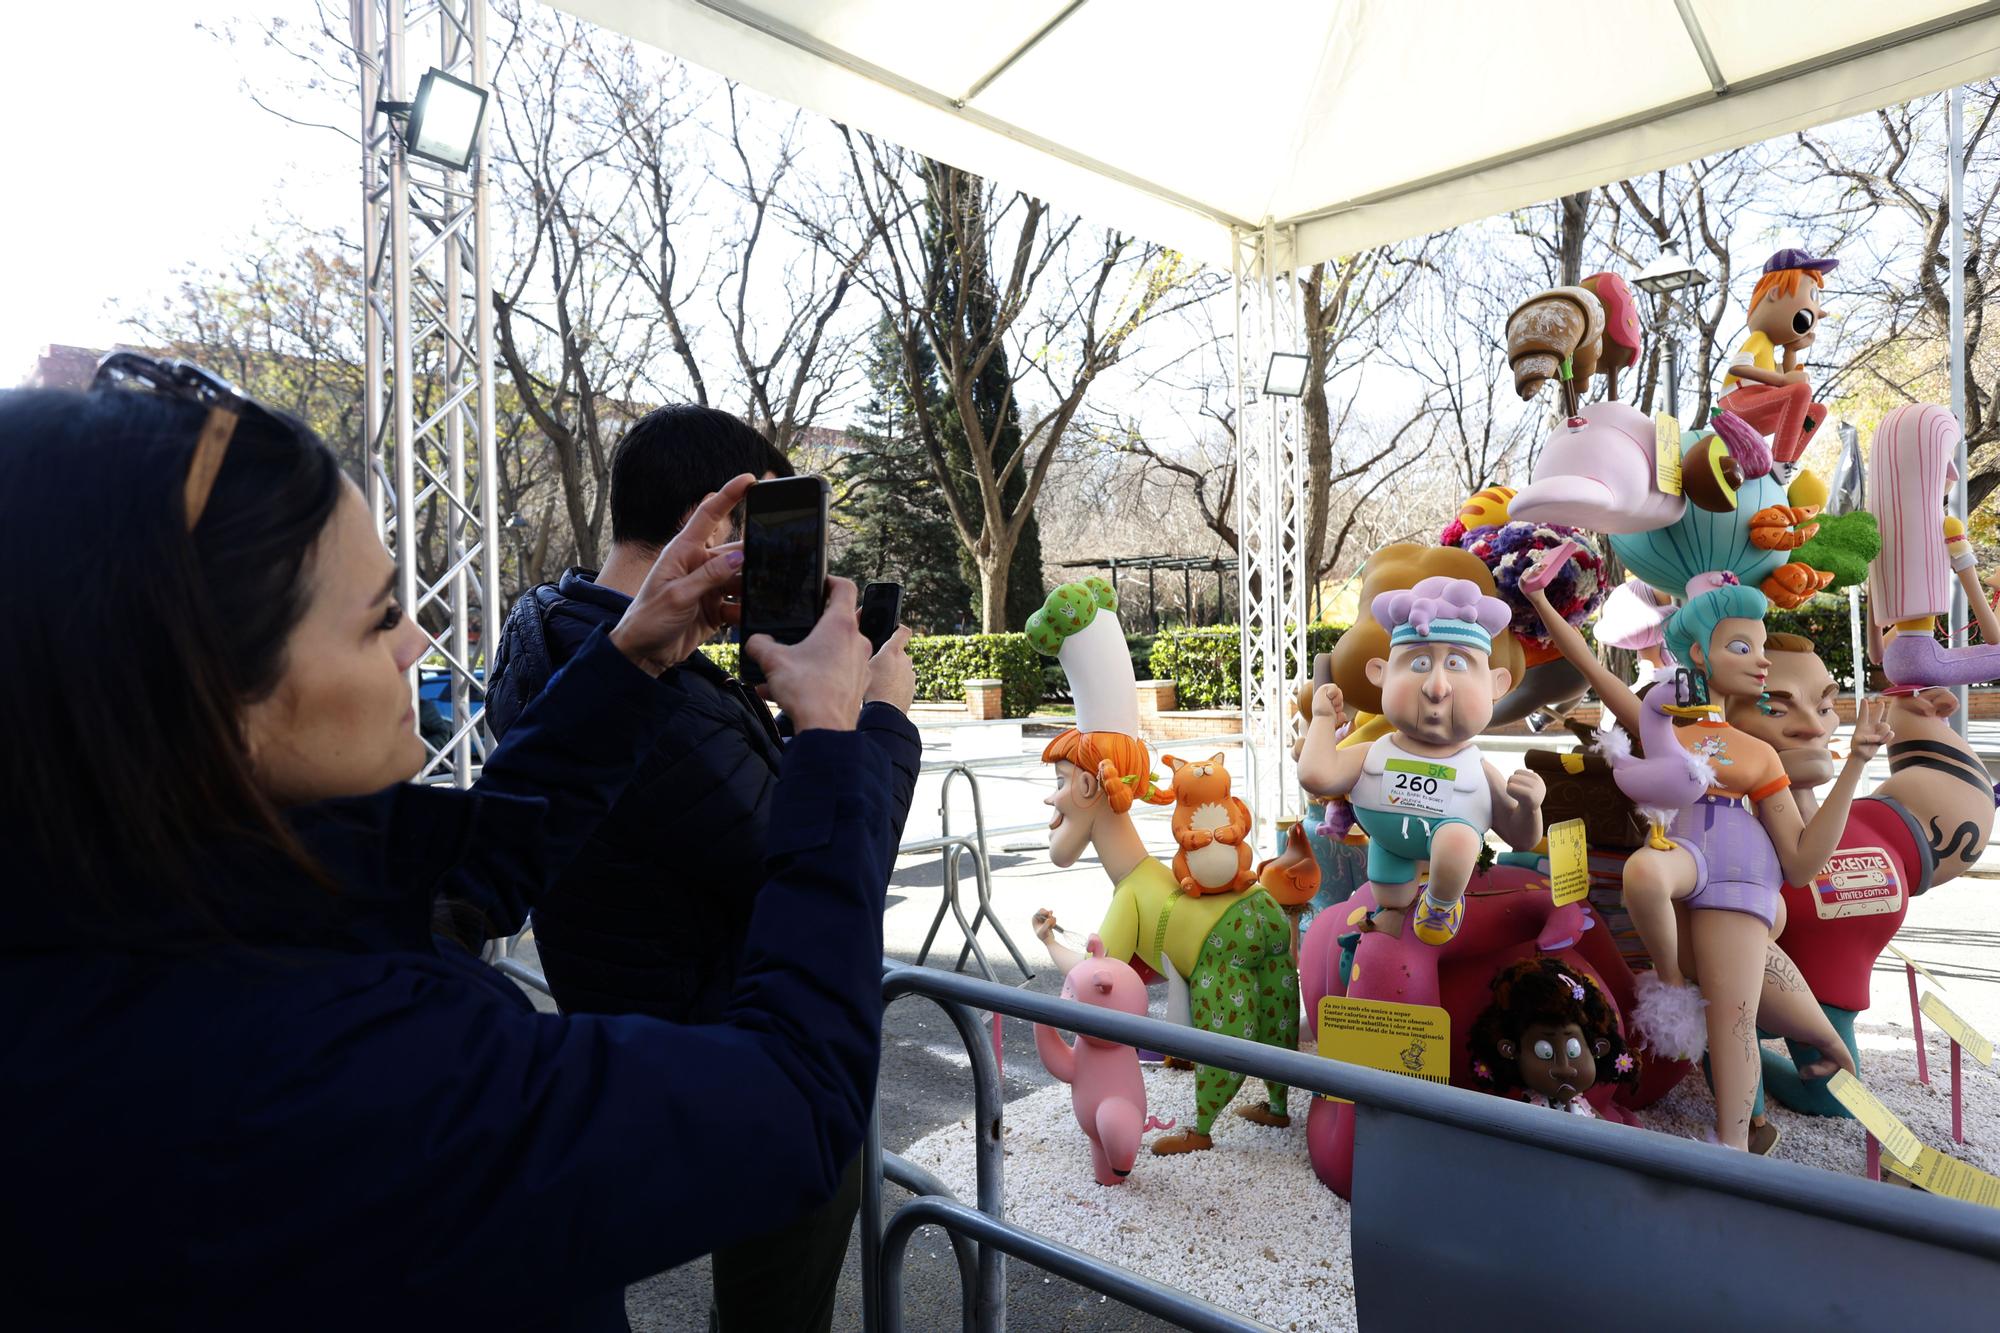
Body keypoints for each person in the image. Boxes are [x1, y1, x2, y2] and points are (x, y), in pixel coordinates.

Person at [0, 359, 900, 1330]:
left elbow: (457, 885)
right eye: (376, 615)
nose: (416, 642)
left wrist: (631, 657)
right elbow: (795, 1103)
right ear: (197, 701)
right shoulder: (334, 1078)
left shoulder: (146, 920)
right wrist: (849, 738)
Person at [486, 403, 920, 1333]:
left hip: (622, 1014)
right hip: (738, 1059)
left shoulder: (549, 634)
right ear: (721, 523)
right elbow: (836, 873)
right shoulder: (669, 708)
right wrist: (866, 719)